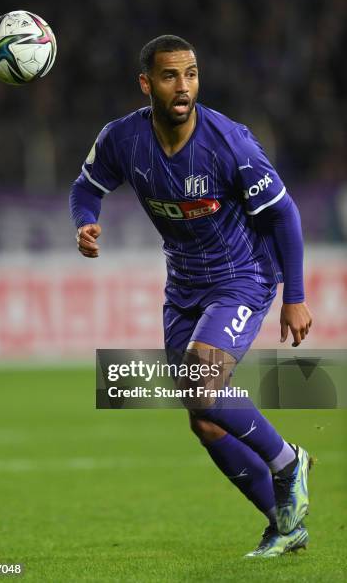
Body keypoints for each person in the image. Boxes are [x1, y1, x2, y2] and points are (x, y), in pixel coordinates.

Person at [69, 35, 313, 557]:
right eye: (170, 76)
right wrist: (86, 222)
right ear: (146, 84)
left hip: (241, 275)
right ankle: (283, 523)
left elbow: (284, 214)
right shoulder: (122, 140)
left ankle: (288, 461)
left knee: (203, 380)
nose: (183, 87)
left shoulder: (231, 144)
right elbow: (86, 186)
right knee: (203, 418)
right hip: (182, 287)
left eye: (192, 74)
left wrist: (294, 295)